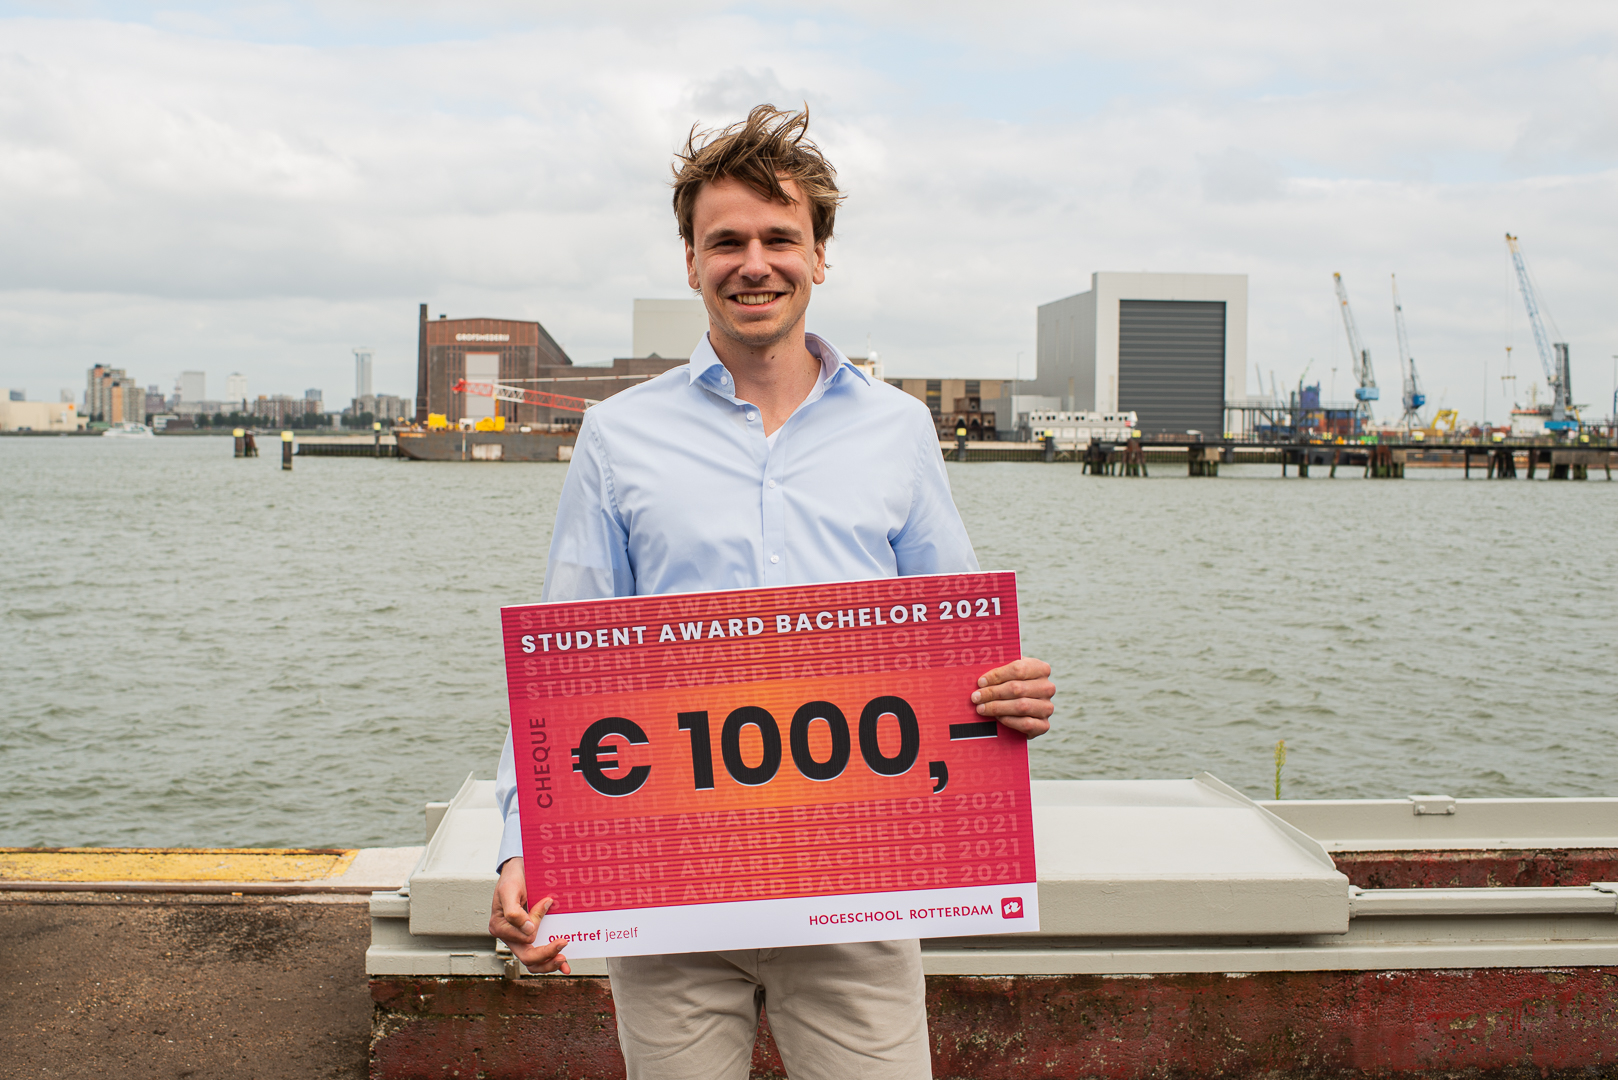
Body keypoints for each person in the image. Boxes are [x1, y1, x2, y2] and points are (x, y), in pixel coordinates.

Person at [489, 104, 1055, 1080]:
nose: (754, 263)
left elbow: (960, 637)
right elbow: (563, 665)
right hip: (670, 884)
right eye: (727, 242)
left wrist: (1010, 693)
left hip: (861, 885)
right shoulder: (618, 436)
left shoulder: (897, 431)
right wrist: (522, 850)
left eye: (779, 238)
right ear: (691, 261)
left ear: (819, 256)